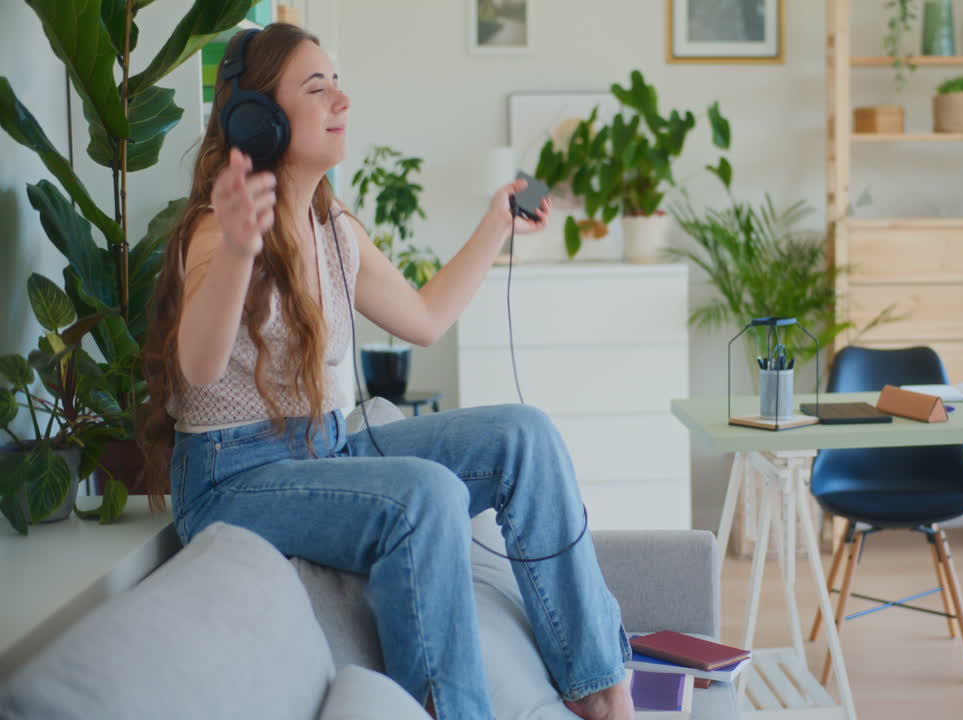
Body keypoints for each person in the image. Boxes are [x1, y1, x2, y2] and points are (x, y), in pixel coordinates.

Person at [138, 23, 634, 720]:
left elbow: (425, 317)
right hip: (232, 477)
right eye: (317, 87)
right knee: (422, 494)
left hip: (326, 446)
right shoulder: (219, 231)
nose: (341, 99)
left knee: (526, 435)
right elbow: (198, 363)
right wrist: (240, 254)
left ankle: (602, 691)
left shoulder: (332, 225)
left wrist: (496, 224)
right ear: (258, 118)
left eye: (338, 81)